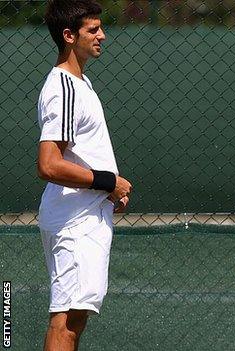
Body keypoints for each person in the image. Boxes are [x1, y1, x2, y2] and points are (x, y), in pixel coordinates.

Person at [37, 1, 132, 349]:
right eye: (93, 30)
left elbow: (78, 156)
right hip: (73, 221)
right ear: (68, 36)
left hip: (85, 216)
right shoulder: (62, 87)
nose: (102, 35)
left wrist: (106, 191)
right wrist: (108, 182)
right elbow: (48, 164)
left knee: (75, 317)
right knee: (66, 321)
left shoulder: (82, 84)